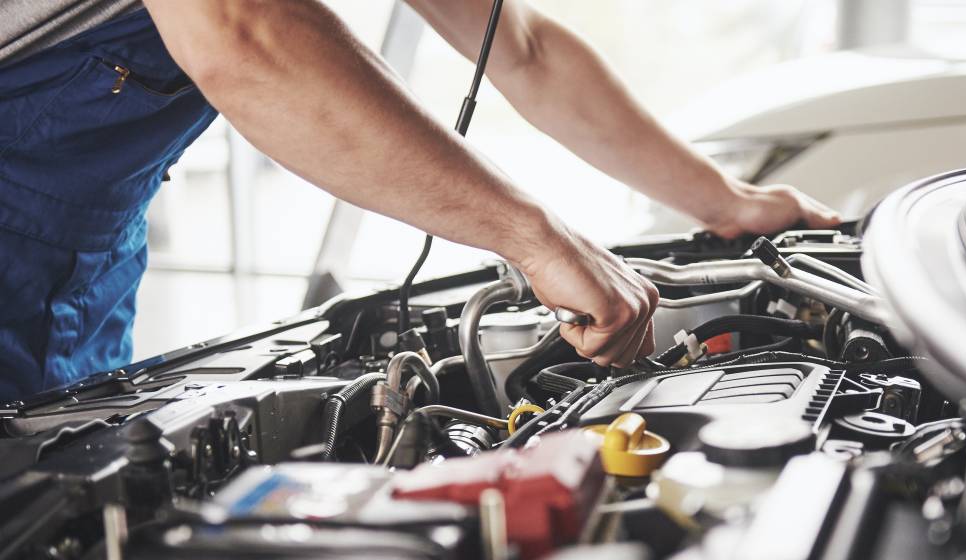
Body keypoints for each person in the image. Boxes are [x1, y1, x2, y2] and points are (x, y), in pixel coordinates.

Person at [0, 0, 839, 402]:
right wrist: (534, 238)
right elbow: (242, 30)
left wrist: (727, 203)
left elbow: (523, 50)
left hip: (80, 257)